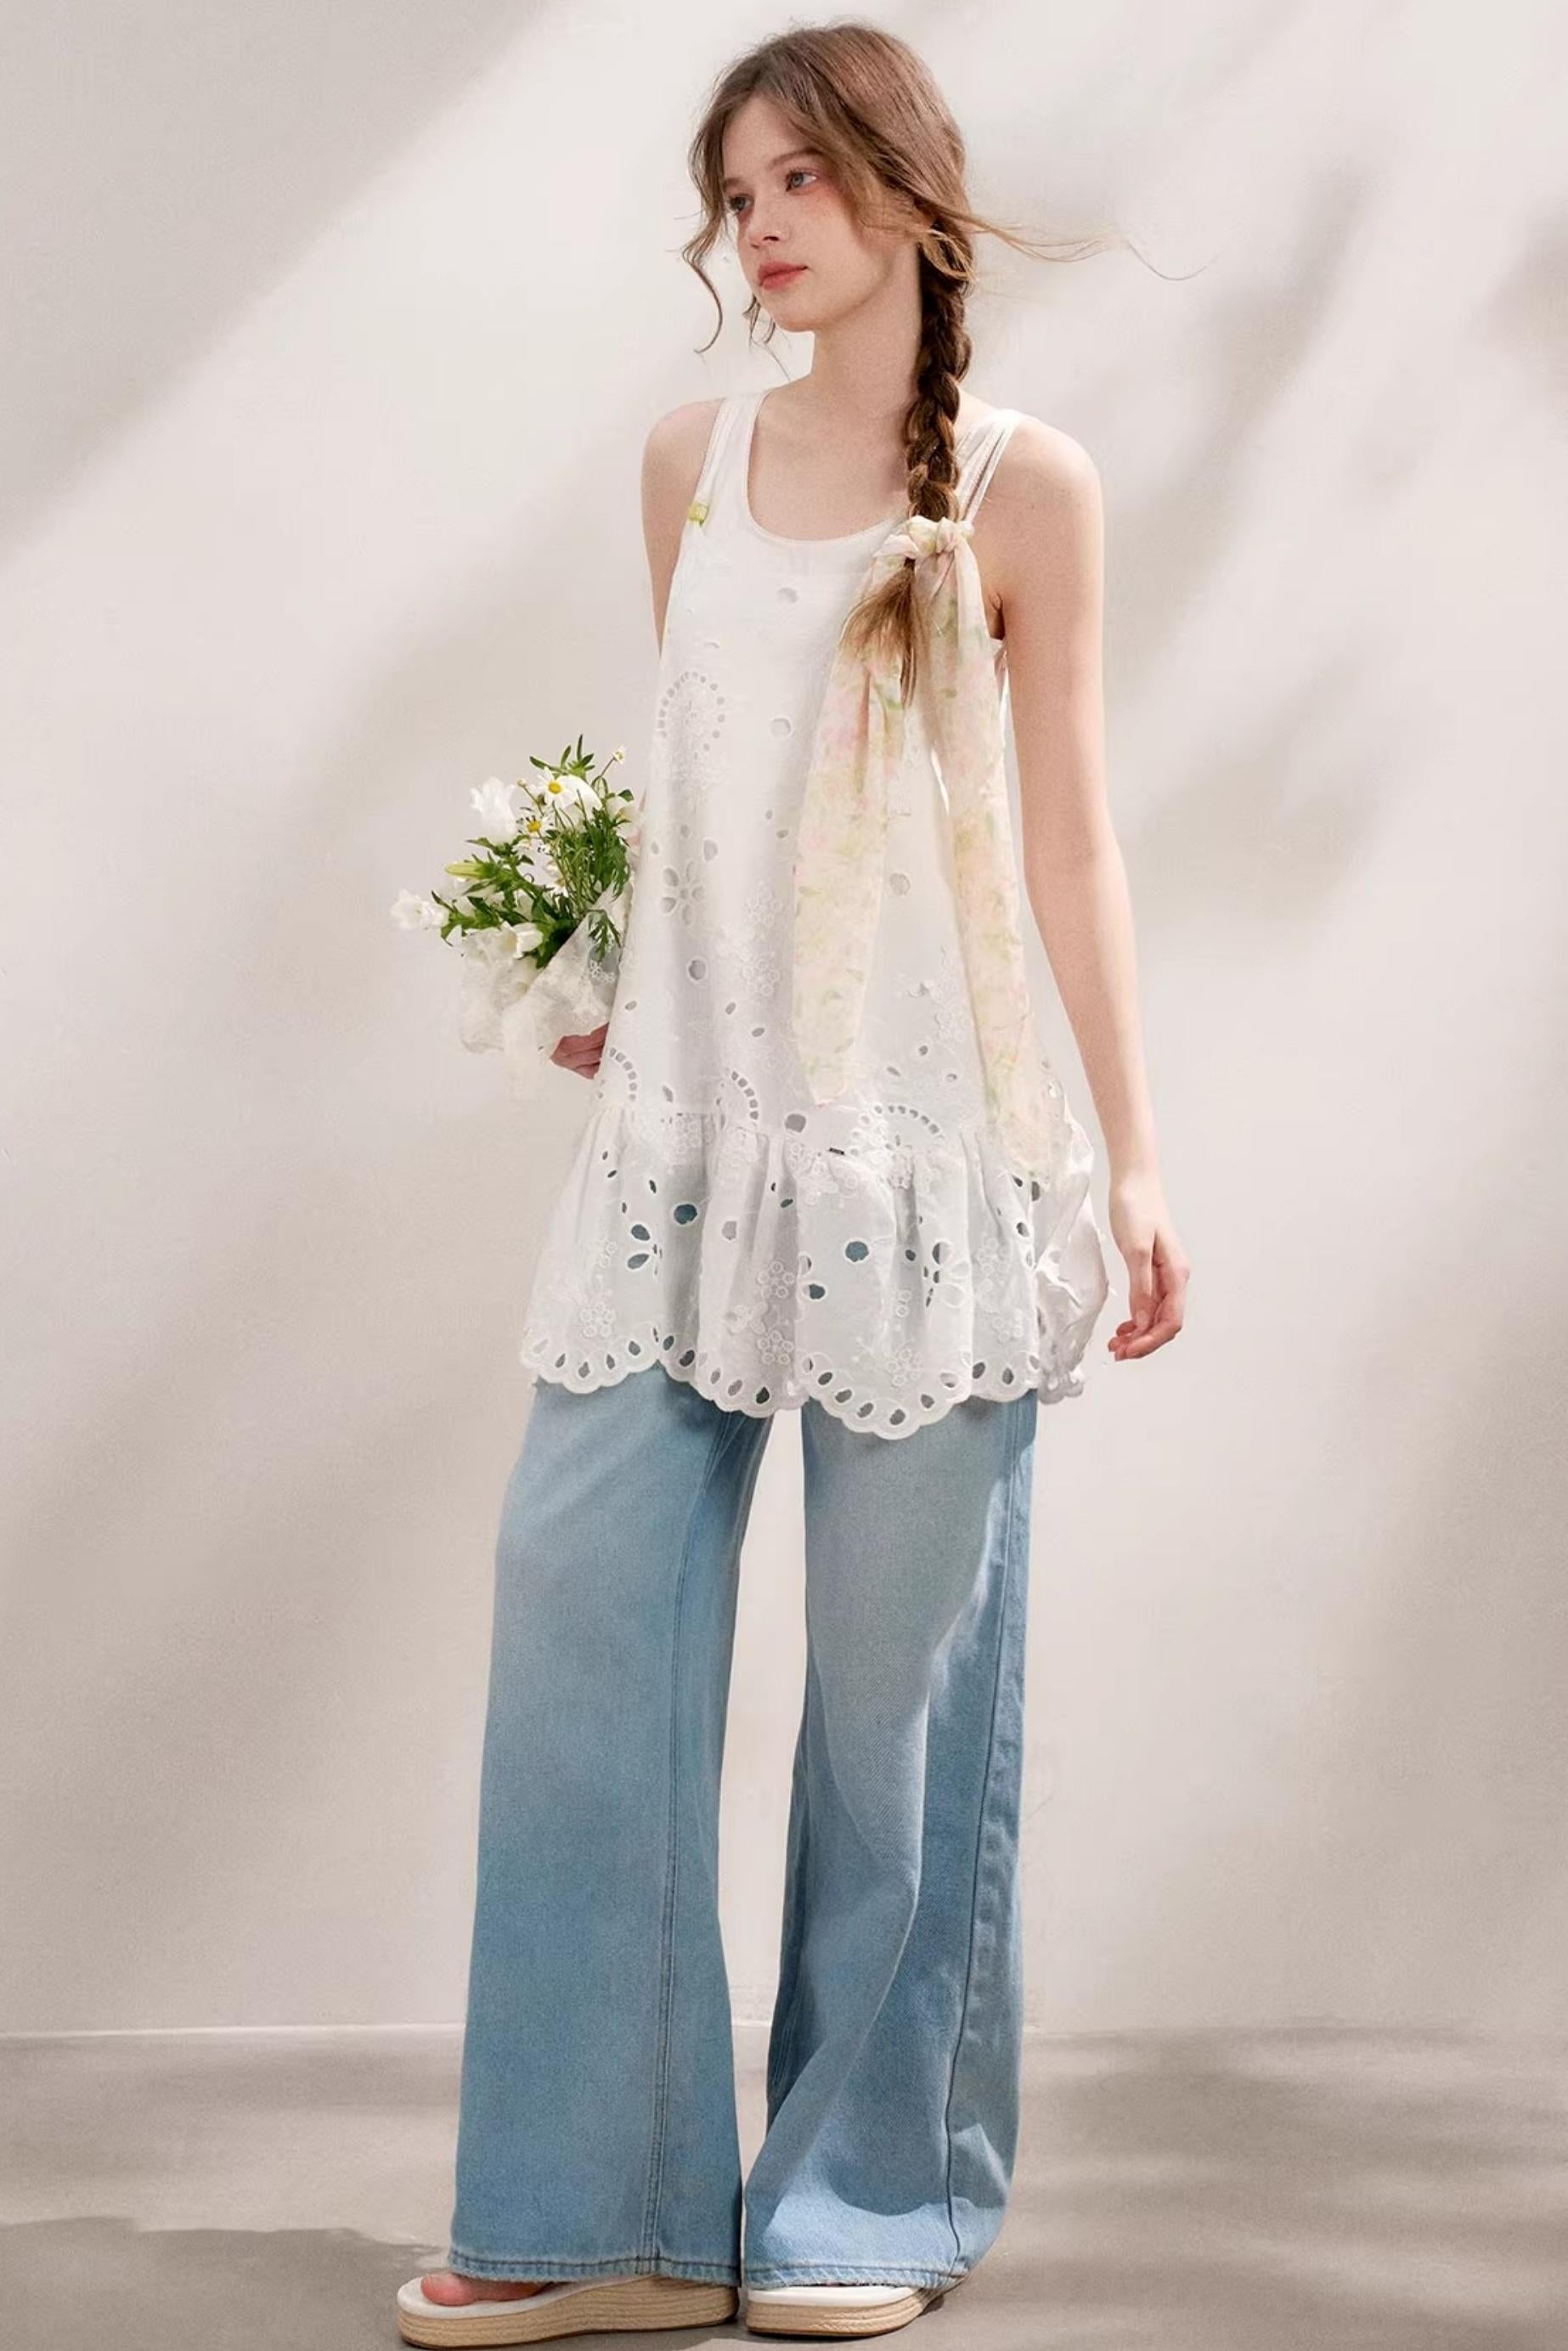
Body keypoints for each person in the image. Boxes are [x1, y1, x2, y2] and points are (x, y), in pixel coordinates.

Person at [396, 20, 1188, 2348]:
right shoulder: (688, 465)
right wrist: (608, 970)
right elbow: (712, 789)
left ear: (907, 191)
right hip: (691, 1149)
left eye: (798, 183)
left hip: (932, 1160)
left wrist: (1140, 1156)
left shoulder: (1030, 491)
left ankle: (869, 2198)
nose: (758, 229)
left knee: (896, 1703)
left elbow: (1070, 840)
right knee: (581, 1619)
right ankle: (604, 2211)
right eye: (734, 196)